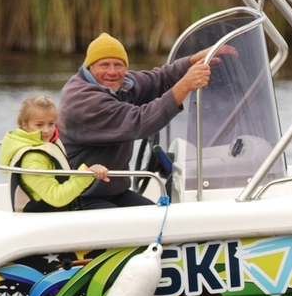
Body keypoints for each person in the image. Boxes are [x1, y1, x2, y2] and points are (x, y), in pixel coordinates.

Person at [57, 32, 222, 209]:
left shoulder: (122, 84)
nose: (112, 72)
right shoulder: (83, 100)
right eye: (104, 65)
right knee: (134, 228)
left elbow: (159, 79)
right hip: (81, 195)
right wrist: (186, 84)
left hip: (114, 191)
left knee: (163, 220)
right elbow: (140, 121)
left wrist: (192, 61)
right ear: (89, 67)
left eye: (118, 65)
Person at [0, 94, 111, 213]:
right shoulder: (32, 158)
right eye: (39, 125)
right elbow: (55, 197)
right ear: (24, 125)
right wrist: (87, 175)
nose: (47, 130)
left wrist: (88, 171)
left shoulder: (46, 144)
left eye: (51, 124)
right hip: (42, 223)